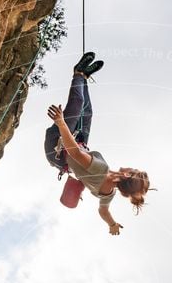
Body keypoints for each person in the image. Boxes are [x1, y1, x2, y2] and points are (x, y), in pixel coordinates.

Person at [44, 52, 151, 235]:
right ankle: (84, 77)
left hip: (59, 147)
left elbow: (75, 153)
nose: (132, 167)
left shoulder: (101, 170)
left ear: (126, 174)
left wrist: (62, 124)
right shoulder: (108, 194)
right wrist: (112, 224)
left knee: (77, 103)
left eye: (134, 170)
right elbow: (103, 211)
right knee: (87, 113)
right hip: (74, 147)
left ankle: (78, 73)